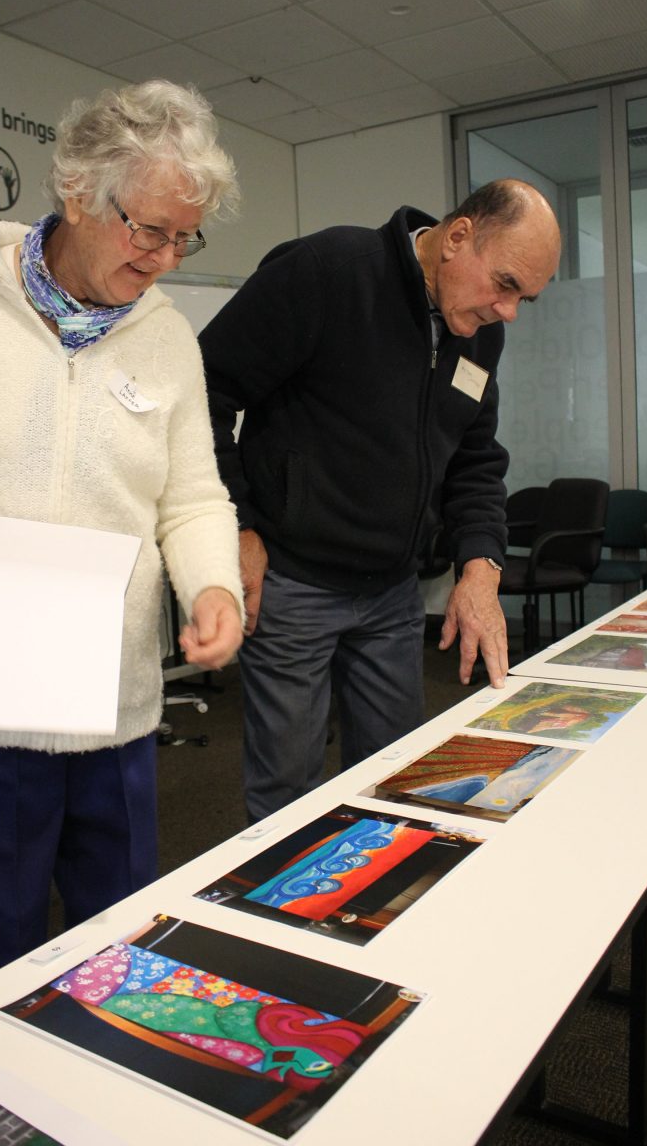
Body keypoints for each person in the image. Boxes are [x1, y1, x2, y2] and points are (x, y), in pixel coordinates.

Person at [0, 80, 244, 991]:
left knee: (120, 948)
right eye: (148, 229)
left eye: (184, 238)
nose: (163, 258)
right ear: (77, 191)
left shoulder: (167, 338)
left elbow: (192, 497)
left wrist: (213, 586)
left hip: (117, 703)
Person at [199, 179, 561, 823]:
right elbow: (201, 392)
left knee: (396, 781)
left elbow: (475, 458)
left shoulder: (479, 331)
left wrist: (481, 564)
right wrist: (238, 526)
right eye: (505, 284)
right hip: (293, 583)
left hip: (393, 591)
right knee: (288, 795)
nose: (509, 311)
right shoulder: (329, 272)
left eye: (524, 298)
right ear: (457, 238)